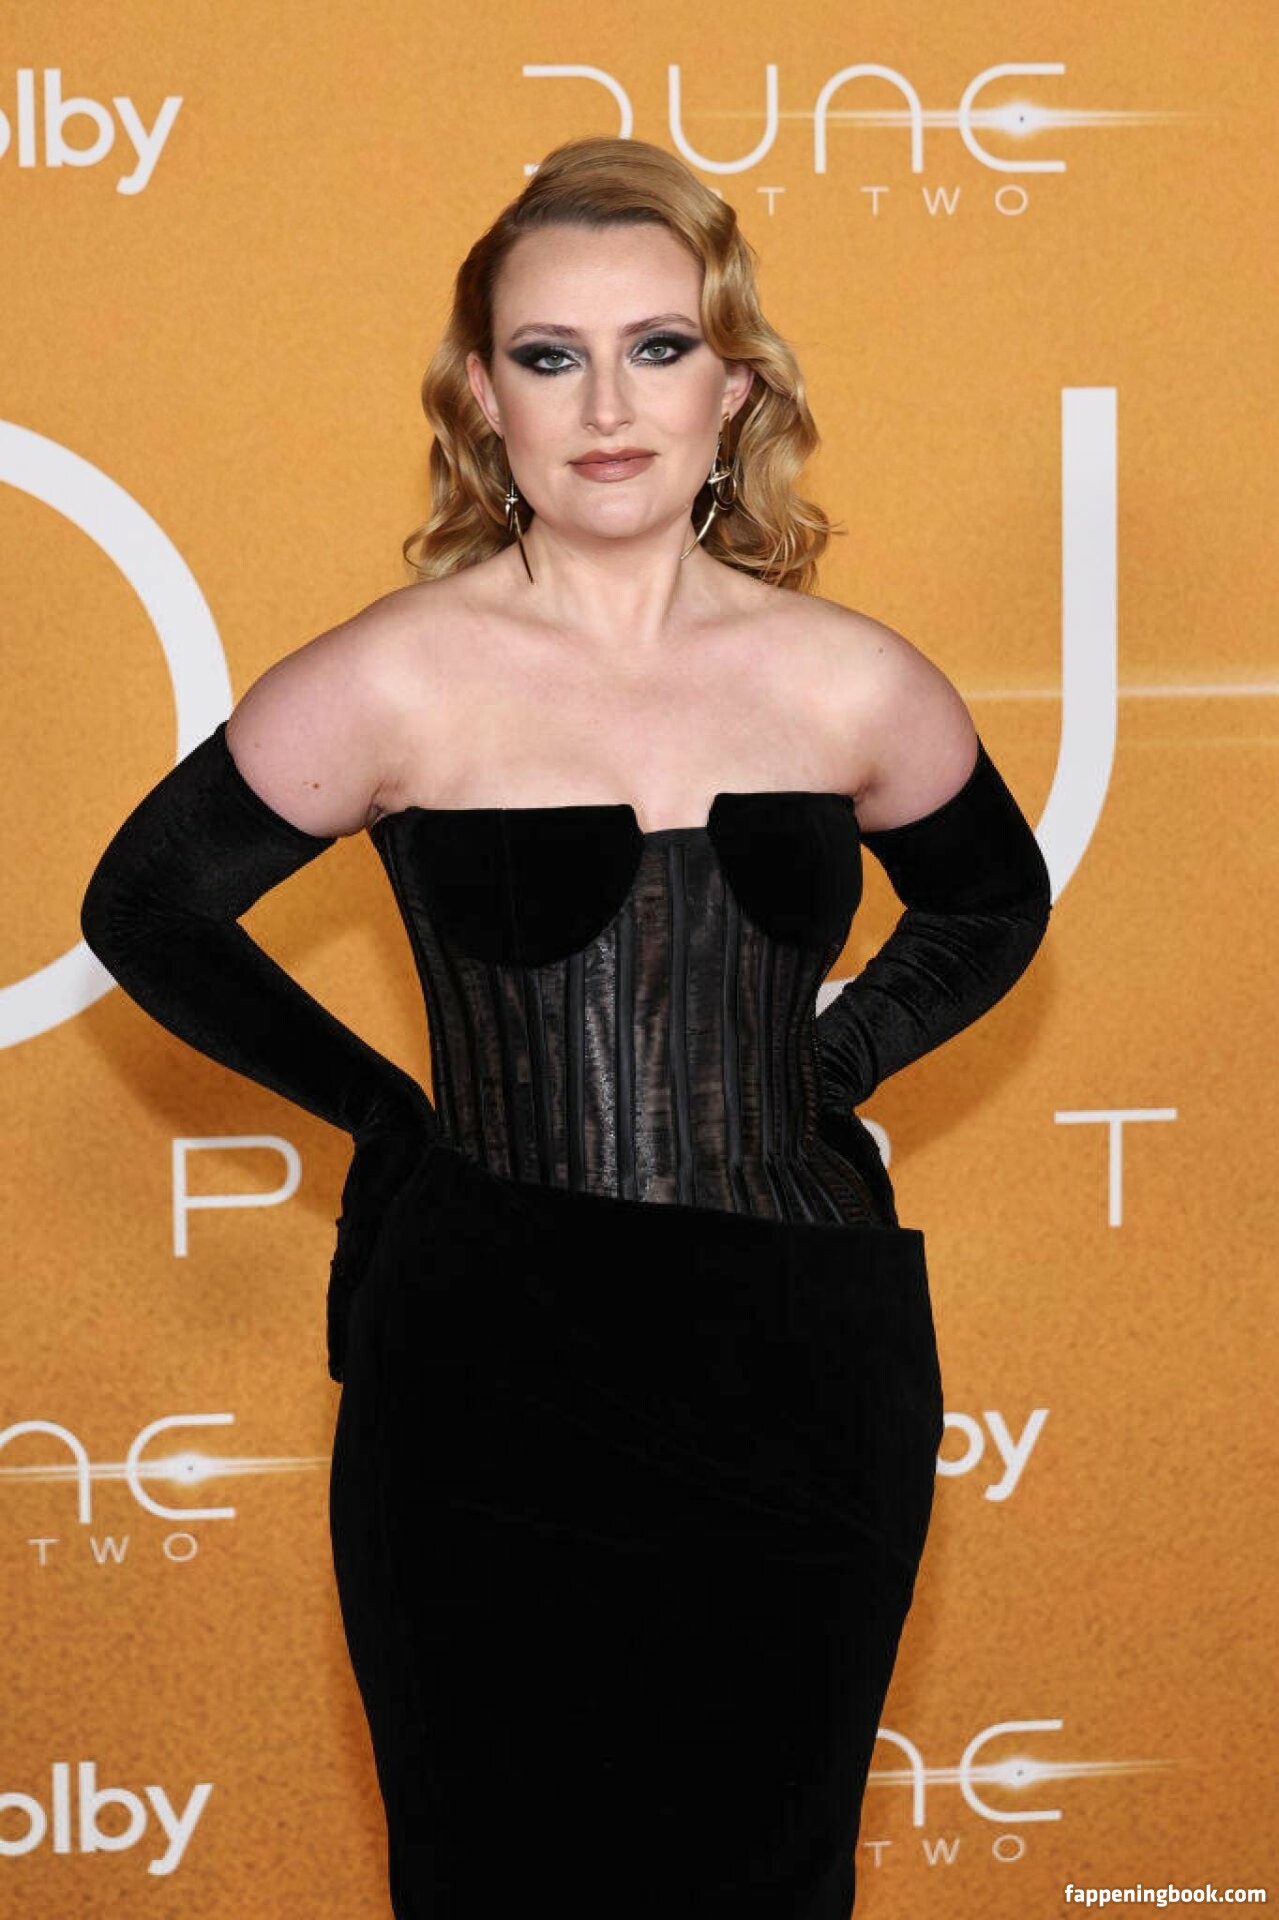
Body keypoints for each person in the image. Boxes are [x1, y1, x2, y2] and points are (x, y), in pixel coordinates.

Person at [79, 136, 1051, 1919]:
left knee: (770, 1880)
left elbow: (993, 906)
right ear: (482, 396)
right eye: (551, 356)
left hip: (797, 1368)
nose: (608, 406)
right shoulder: (397, 674)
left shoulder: (853, 679)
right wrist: (385, 1115)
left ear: (733, 385)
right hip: (488, 1369)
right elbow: (146, 908)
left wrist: (828, 1067)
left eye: (658, 348)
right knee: (494, 1875)